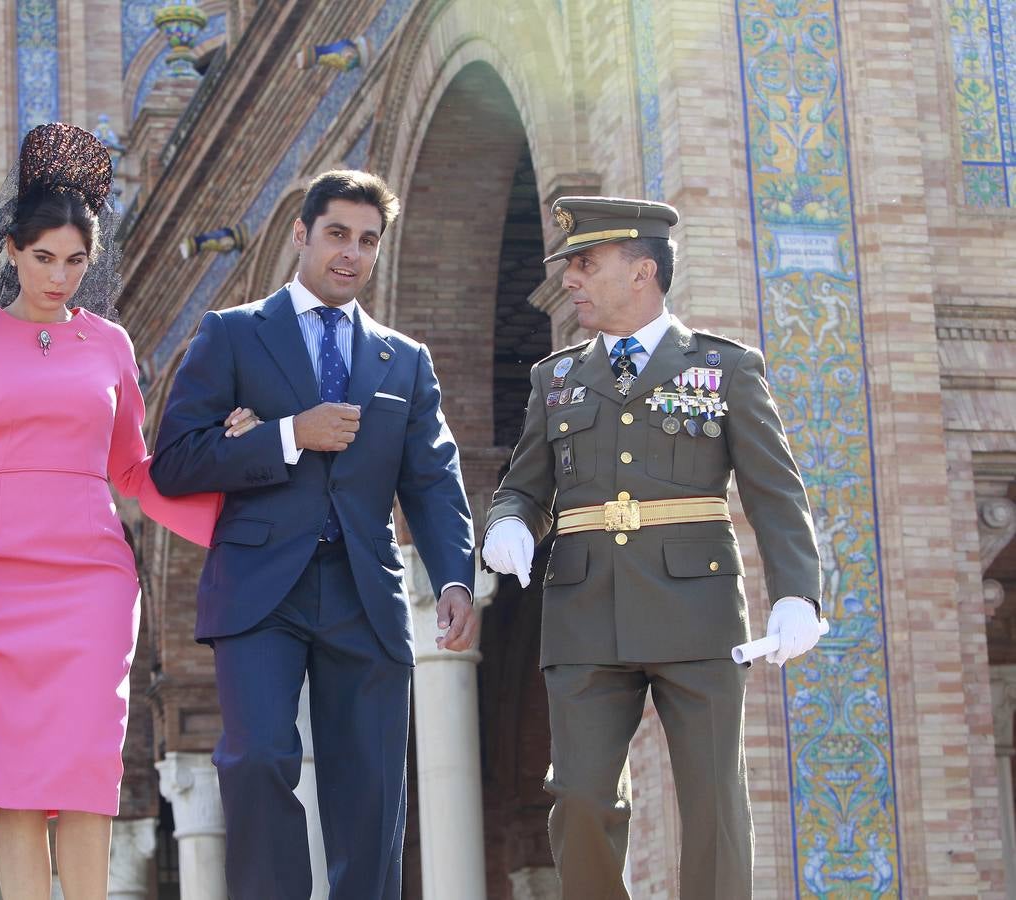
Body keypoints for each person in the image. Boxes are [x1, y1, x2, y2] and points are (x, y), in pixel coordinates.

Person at [0, 123, 251, 900]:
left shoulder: (110, 344)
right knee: (10, 781)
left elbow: (132, 468)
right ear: (12, 253)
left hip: (91, 580)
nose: (60, 276)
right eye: (44, 258)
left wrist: (229, 506)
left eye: (76, 261)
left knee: (88, 772)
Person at [481, 196, 824, 899]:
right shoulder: (557, 379)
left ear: (642, 271)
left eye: (585, 263)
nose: (570, 280)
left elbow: (775, 493)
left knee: (713, 804)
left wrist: (799, 594)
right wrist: (508, 522)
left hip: (695, 611)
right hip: (583, 613)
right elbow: (524, 486)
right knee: (578, 799)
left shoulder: (725, 370)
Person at [150, 170, 478, 898]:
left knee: (371, 786)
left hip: (365, 591)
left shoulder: (405, 360)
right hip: (261, 590)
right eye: (337, 234)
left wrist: (456, 577)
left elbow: (432, 480)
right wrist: (286, 436)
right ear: (301, 234)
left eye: (367, 241)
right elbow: (173, 463)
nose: (350, 254)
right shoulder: (233, 334)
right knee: (258, 758)